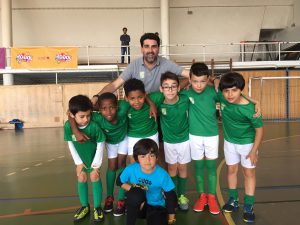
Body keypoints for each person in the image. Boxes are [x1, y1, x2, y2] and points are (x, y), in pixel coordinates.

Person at [68, 92, 129, 216]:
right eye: (104, 109)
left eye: (112, 107)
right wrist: (75, 130)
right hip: (110, 142)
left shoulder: (123, 107)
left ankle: (122, 198)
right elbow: (70, 114)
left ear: (117, 106)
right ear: (98, 109)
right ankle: (110, 197)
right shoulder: (95, 116)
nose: (109, 112)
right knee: (112, 166)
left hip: (124, 138)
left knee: (122, 162)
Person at [219, 72, 264, 223]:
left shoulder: (250, 109)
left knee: (248, 173)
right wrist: (256, 99)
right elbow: (215, 81)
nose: (230, 94)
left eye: (234, 90)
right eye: (226, 91)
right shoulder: (222, 97)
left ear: (240, 90)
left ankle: (249, 205)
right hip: (229, 142)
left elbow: (259, 130)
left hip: (247, 144)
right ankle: (233, 199)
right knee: (231, 170)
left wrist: (253, 151)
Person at [180, 63, 221, 214]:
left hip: (212, 136)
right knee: (198, 168)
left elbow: (233, 95)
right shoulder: (186, 93)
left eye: (203, 81)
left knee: (211, 169)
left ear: (208, 80)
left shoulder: (213, 92)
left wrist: (255, 103)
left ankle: (211, 197)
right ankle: (201, 197)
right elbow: (175, 89)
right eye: (195, 81)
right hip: (194, 136)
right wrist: (187, 80)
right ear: (190, 79)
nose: (199, 85)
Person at [152, 72, 191, 211]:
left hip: (185, 140)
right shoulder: (158, 100)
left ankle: (181, 195)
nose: (170, 90)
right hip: (168, 141)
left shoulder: (185, 99)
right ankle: (172, 196)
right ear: (161, 89)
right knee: (172, 168)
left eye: (173, 86)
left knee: (182, 167)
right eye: (166, 87)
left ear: (179, 88)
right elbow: (142, 96)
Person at [64, 95, 105, 223]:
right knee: (81, 178)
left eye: (88, 115)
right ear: (72, 115)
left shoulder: (94, 126)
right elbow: (70, 143)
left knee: (95, 177)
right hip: (81, 160)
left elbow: (101, 143)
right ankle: (85, 206)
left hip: (93, 159)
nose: (86, 119)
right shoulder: (67, 126)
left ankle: (97, 207)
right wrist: (78, 163)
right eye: (82, 116)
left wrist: (96, 164)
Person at [117, 138, 177, 225]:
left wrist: (171, 219)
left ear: (156, 157)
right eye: (143, 156)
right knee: (134, 195)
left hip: (156, 206)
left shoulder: (162, 174)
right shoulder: (131, 169)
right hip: (140, 206)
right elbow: (119, 181)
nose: (148, 160)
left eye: (151, 156)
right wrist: (135, 188)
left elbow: (170, 196)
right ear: (137, 158)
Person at [122, 78, 164, 163]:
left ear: (145, 95)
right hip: (133, 136)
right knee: (134, 163)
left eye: (140, 97)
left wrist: (190, 78)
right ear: (126, 98)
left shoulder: (154, 99)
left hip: (151, 135)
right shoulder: (123, 106)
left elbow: (172, 90)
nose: (137, 102)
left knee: (152, 163)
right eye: (132, 99)